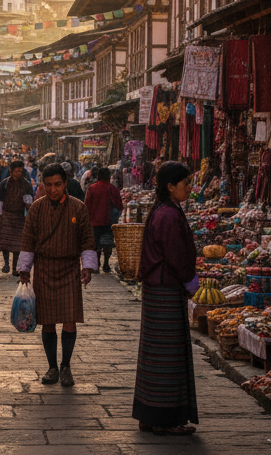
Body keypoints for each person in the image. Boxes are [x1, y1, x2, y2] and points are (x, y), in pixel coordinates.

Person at [132, 161, 199, 436]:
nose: (190, 189)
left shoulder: (164, 209)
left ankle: (150, 414)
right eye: (186, 184)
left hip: (158, 289)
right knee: (167, 355)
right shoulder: (168, 215)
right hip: (165, 290)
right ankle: (164, 418)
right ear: (171, 187)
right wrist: (190, 280)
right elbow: (175, 254)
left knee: (155, 354)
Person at [17, 163, 97, 387]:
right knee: (48, 322)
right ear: (42, 184)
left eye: (58, 185)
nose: (53, 189)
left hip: (69, 268)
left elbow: (87, 238)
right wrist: (24, 268)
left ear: (65, 184)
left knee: (70, 320)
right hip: (43, 268)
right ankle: (52, 367)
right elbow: (28, 239)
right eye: (49, 185)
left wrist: (86, 266)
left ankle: (66, 367)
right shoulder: (36, 208)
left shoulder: (78, 208)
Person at [0, 159, 34, 274]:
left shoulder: (26, 184)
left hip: (19, 217)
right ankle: (6, 264)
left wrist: (29, 211)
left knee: (18, 244)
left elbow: (28, 199)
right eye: (15, 171)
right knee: (5, 242)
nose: (17, 173)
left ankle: (15, 267)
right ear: (11, 171)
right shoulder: (5, 183)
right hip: (6, 216)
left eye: (19, 171)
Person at [85, 167, 123, 273]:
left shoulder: (92, 188)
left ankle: (96, 265)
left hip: (94, 222)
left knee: (95, 244)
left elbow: (87, 205)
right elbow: (119, 205)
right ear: (109, 177)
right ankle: (106, 264)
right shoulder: (113, 189)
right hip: (108, 221)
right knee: (108, 243)